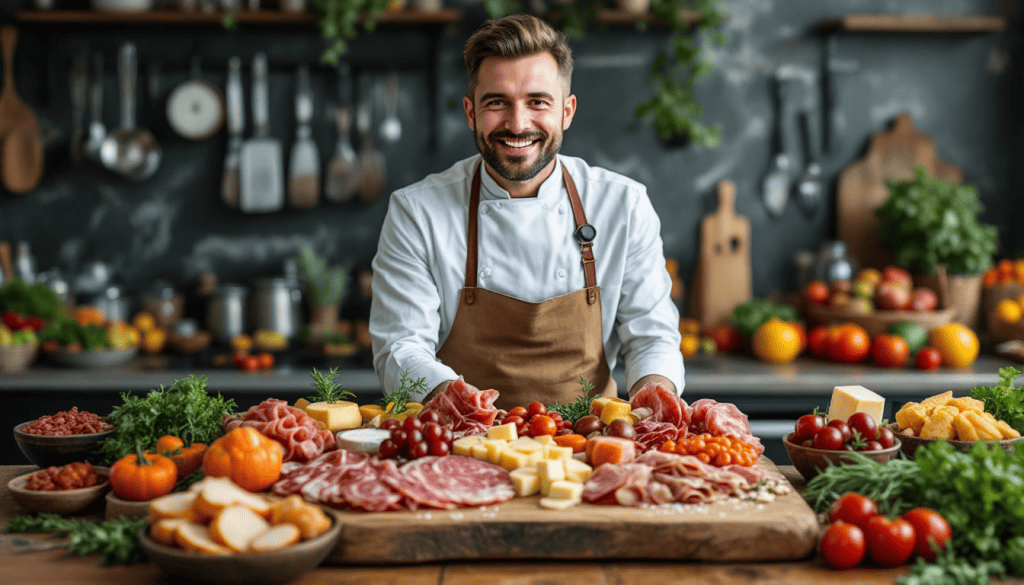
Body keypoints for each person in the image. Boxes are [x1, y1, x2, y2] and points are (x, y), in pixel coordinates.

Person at [369, 13, 683, 409]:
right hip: (462, 445)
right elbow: (400, 347)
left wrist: (655, 400)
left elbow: (652, 337)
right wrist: (469, 412)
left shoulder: (623, 204)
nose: (517, 124)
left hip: (591, 447)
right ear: (471, 113)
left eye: (537, 102)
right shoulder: (417, 211)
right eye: (497, 102)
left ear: (566, 112)